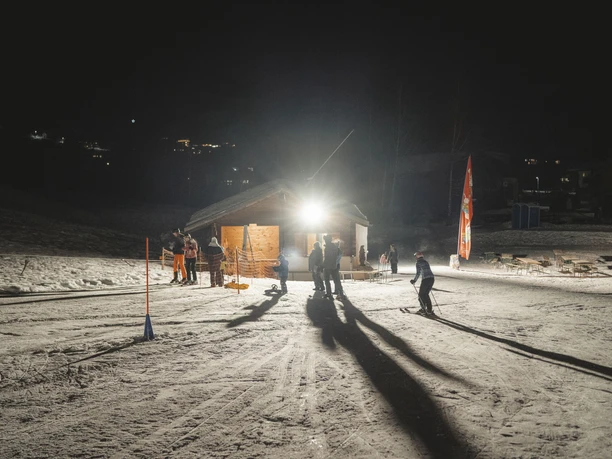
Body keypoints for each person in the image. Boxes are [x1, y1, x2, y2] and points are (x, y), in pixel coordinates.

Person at [322, 234, 343, 299]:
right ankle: (341, 293)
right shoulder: (335, 247)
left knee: (327, 280)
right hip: (334, 266)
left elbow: (327, 258)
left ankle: (329, 293)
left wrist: (322, 265)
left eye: (325, 239)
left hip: (328, 266)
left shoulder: (328, 247)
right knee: (336, 280)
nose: (325, 241)